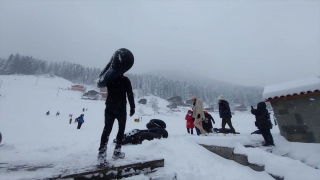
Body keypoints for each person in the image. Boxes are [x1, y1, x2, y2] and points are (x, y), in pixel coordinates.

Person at [97, 74, 135, 165]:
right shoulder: (125, 80)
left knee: (107, 129)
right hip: (121, 108)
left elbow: (100, 83)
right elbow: (129, 94)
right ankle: (117, 151)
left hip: (109, 106)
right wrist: (132, 107)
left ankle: (102, 154)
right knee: (121, 129)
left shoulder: (109, 78)